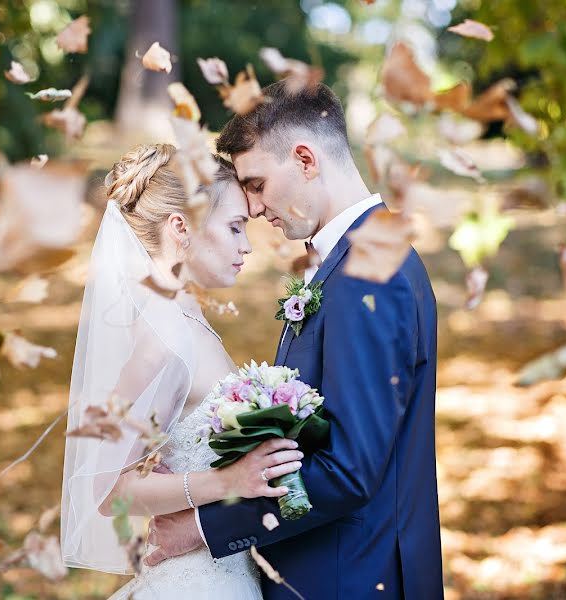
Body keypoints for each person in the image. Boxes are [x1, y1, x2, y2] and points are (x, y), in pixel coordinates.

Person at [144, 81, 444, 599]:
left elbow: (349, 472)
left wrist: (201, 528)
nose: (254, 208)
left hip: (347, 577)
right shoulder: (350, 260)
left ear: (305, 159)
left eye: (257, 184)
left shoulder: (370, 274)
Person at [60, 143, 302, 600]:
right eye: (234, 227)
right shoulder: (158, 342)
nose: (246, 246)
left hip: (227, 571)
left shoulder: (186, 318)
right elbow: (109, 489)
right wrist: (227, 482)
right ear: (181, 227)